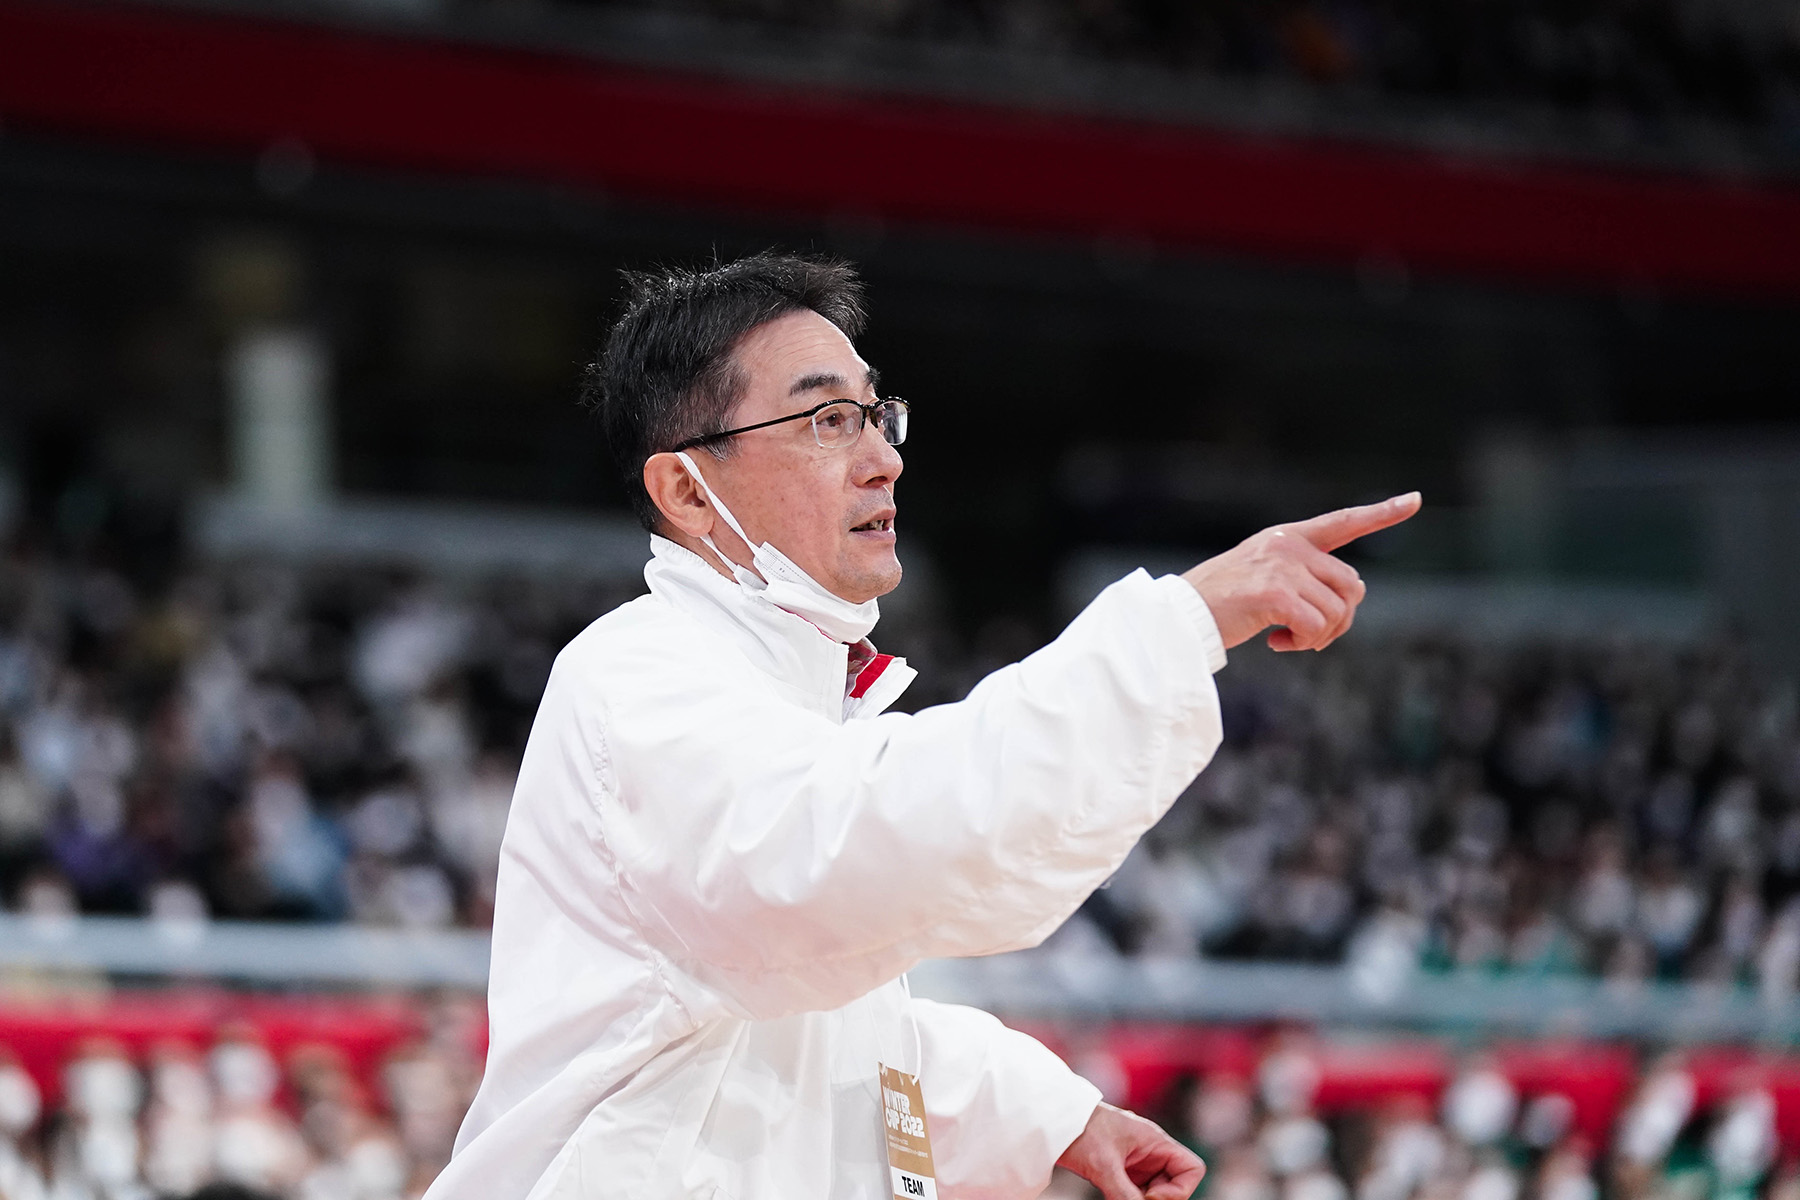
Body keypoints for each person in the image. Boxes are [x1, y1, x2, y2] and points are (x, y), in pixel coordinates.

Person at [427, 252, 1419, 1200]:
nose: (883, 459)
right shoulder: (638, 680)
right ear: (688, 489)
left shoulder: (788, 696)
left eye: (876, 415)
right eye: (826, 420)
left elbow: (830, 1033)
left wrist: (1054, 1118)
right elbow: (859, 851)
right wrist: (1186, 621)